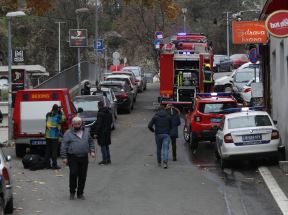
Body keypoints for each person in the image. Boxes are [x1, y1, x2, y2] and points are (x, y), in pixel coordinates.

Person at [61, 116, 95, 200]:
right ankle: (72, 192)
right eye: (75, 124)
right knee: (73, 174)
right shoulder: (68, 133)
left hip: (84, 157)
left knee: (82, 175)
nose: (77, 125)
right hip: (72, 157)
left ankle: (80, 193)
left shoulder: (86, 131)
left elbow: (90, 141)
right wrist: (64, 157)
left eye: (78, 124)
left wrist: (92, 150)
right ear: (72, 124)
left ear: (81, 124)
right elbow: (63, 146)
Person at [90, 101, 113, 165]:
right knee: (106, 145)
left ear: (98, 106)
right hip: (108, 131)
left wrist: (95, 133)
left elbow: (98, 124)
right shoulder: (109, 112)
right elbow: (111, 121)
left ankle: (104, 160)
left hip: (102, 132)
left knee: (103, 145)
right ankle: (108, 159)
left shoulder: (100, 113)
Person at [45, 104, 66, 169]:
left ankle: (47, 165)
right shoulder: (58, 116)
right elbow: (63, 120)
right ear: (57, 109)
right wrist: (62, 112)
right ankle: (54, 165)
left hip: (48, 135)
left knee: (48, 151)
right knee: (54, 151)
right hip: (54, 136)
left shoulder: (48, 114)